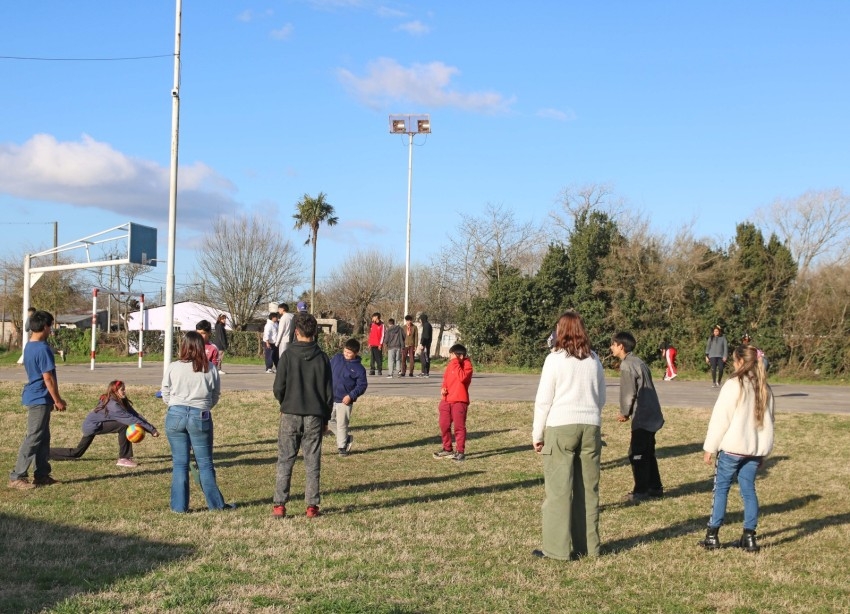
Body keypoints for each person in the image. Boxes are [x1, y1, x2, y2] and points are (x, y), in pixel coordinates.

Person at [531, 310, 606, 560]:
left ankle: (555, 549)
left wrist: (537, 432)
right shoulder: (594, 359)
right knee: (588, 490)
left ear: (560, 331)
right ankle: (589, 547)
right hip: (591, 426)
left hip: (561, 426)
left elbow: (544, 400)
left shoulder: (554, 359)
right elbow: (602, 397)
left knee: (559, 491)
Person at [699, 344, 775, 553]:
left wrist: (710, 447)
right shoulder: (764, 387)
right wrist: (763, 452)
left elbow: (720, 418)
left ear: (741, 362)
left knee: (721, 489)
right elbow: (770, 422)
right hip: (753, 451)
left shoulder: (734, 384)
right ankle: (749, 536)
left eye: (733, 360)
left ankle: (712, 535)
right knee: (748, 491)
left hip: (732, 449)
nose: (732, 364)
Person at [161, 331, 231, 512]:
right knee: (205, 463)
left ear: (184, 346)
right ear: (202, 347)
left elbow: (165, 392)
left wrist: (176, 405)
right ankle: (216, 505)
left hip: (175, 415)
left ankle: (179, 507)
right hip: (200, 416)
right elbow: (215, 395)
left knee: (180, 463)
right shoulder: (210, 368)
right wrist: (203, 407)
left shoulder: (173, 367)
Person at [272, 312, 333, 518]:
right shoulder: (323, 357)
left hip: (290, 412)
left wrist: (285, 402)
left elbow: (278, 387)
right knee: (312, 461)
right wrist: (325, 418)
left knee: (285, 460)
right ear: (315, 332)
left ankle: (279, 505)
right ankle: (311, 506)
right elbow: (328, 393)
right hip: (315, 414)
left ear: (295, 332)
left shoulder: (287, 356)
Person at [9, 310, 66, 490]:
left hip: (39, 397)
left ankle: (42, 475)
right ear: (45, 326)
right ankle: (17, 476)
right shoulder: (43, 349)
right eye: (50, 325)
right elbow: (47, 378)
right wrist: (57, 400)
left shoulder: (30, 346)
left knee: (43, 437)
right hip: (39, 398)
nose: (51, 329)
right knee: (33, 437)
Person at [50, 380, 159, 467]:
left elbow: (135, 415)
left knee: (77, 453)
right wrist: (151, 430)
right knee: (124, 425)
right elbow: (131, 420)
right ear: (115, 391)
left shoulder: (121, 400)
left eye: (124, 389)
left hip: (95, 424)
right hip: (91, 426)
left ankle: (46, 453)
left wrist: (151, 428)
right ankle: (123, 459)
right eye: (122, 390)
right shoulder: (114, 406)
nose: (125, 391)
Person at [611, 332, 665, 502]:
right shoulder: (638, 361)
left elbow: (628, 392)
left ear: (621, 346)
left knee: (637, 453)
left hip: (643, 415)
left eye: (613, 344)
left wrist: (624, 412)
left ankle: (640, 490)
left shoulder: (627, 365)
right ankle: (655, 487)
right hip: (651, 413)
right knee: (648, 452)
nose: (611, 347)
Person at [432, 343, 473, 462]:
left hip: (459, 401)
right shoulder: (451, 365)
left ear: (460, 356)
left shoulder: (467, 366)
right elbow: (446, 378)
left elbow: (462, 378)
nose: (450, 357)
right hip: (447, 400)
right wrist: (443, 387)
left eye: (452, 355)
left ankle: (460, 451)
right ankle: (447, 448)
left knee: (459, 427)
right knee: (444, 424)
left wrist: (455, 362)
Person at [329, 338, 368, 456]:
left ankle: (342, 447)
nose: (346, 354)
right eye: (345, 351)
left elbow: (362, 385)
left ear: (355, 354)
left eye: (349, 353)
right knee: (327, 420)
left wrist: (351, 396)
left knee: (342, 424)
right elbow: (327, 371)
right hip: (330, 397)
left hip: (345, 400)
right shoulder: (336, 359)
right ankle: (346, 438)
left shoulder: (359, 369)